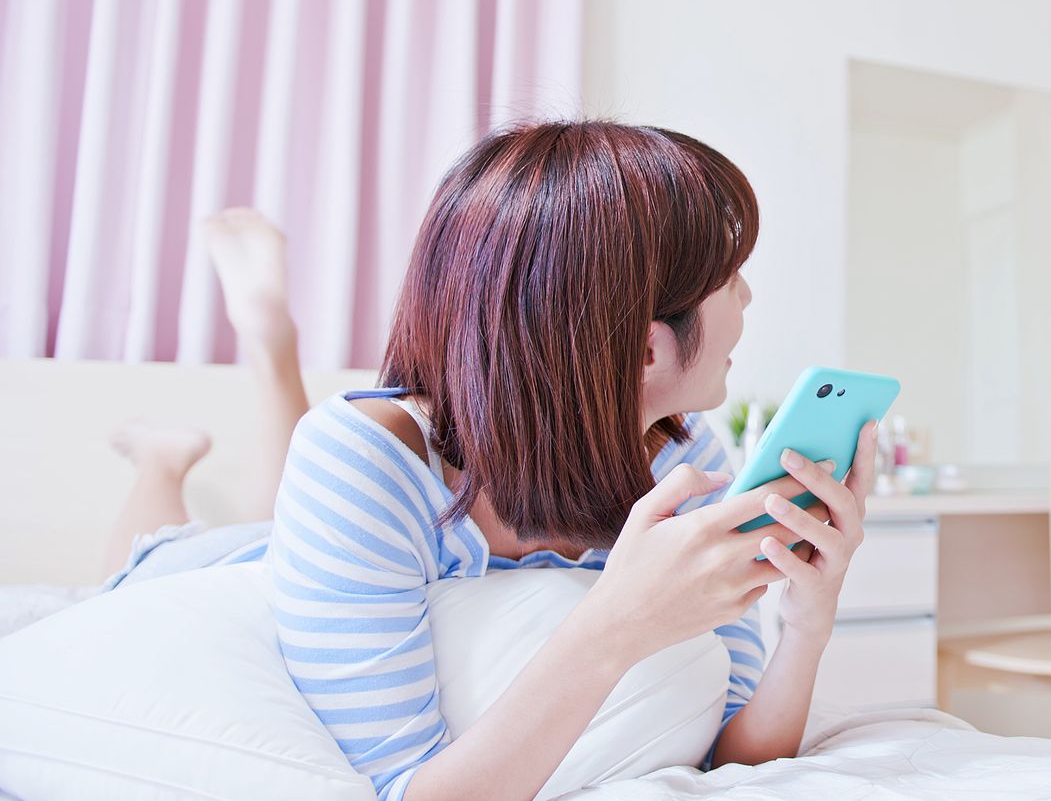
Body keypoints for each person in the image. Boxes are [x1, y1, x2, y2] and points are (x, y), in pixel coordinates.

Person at [94, 121, 876, 801]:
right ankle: (171, 448)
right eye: (729, 279)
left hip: (362, 531)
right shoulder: (361, 455)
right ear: (644, 346)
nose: (747, 300)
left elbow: (725, 753)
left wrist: (806, 623)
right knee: (162, 549)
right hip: (241, 559)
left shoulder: (683, 453)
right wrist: (614, 625)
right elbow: (406, 790)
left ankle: (256, 362)